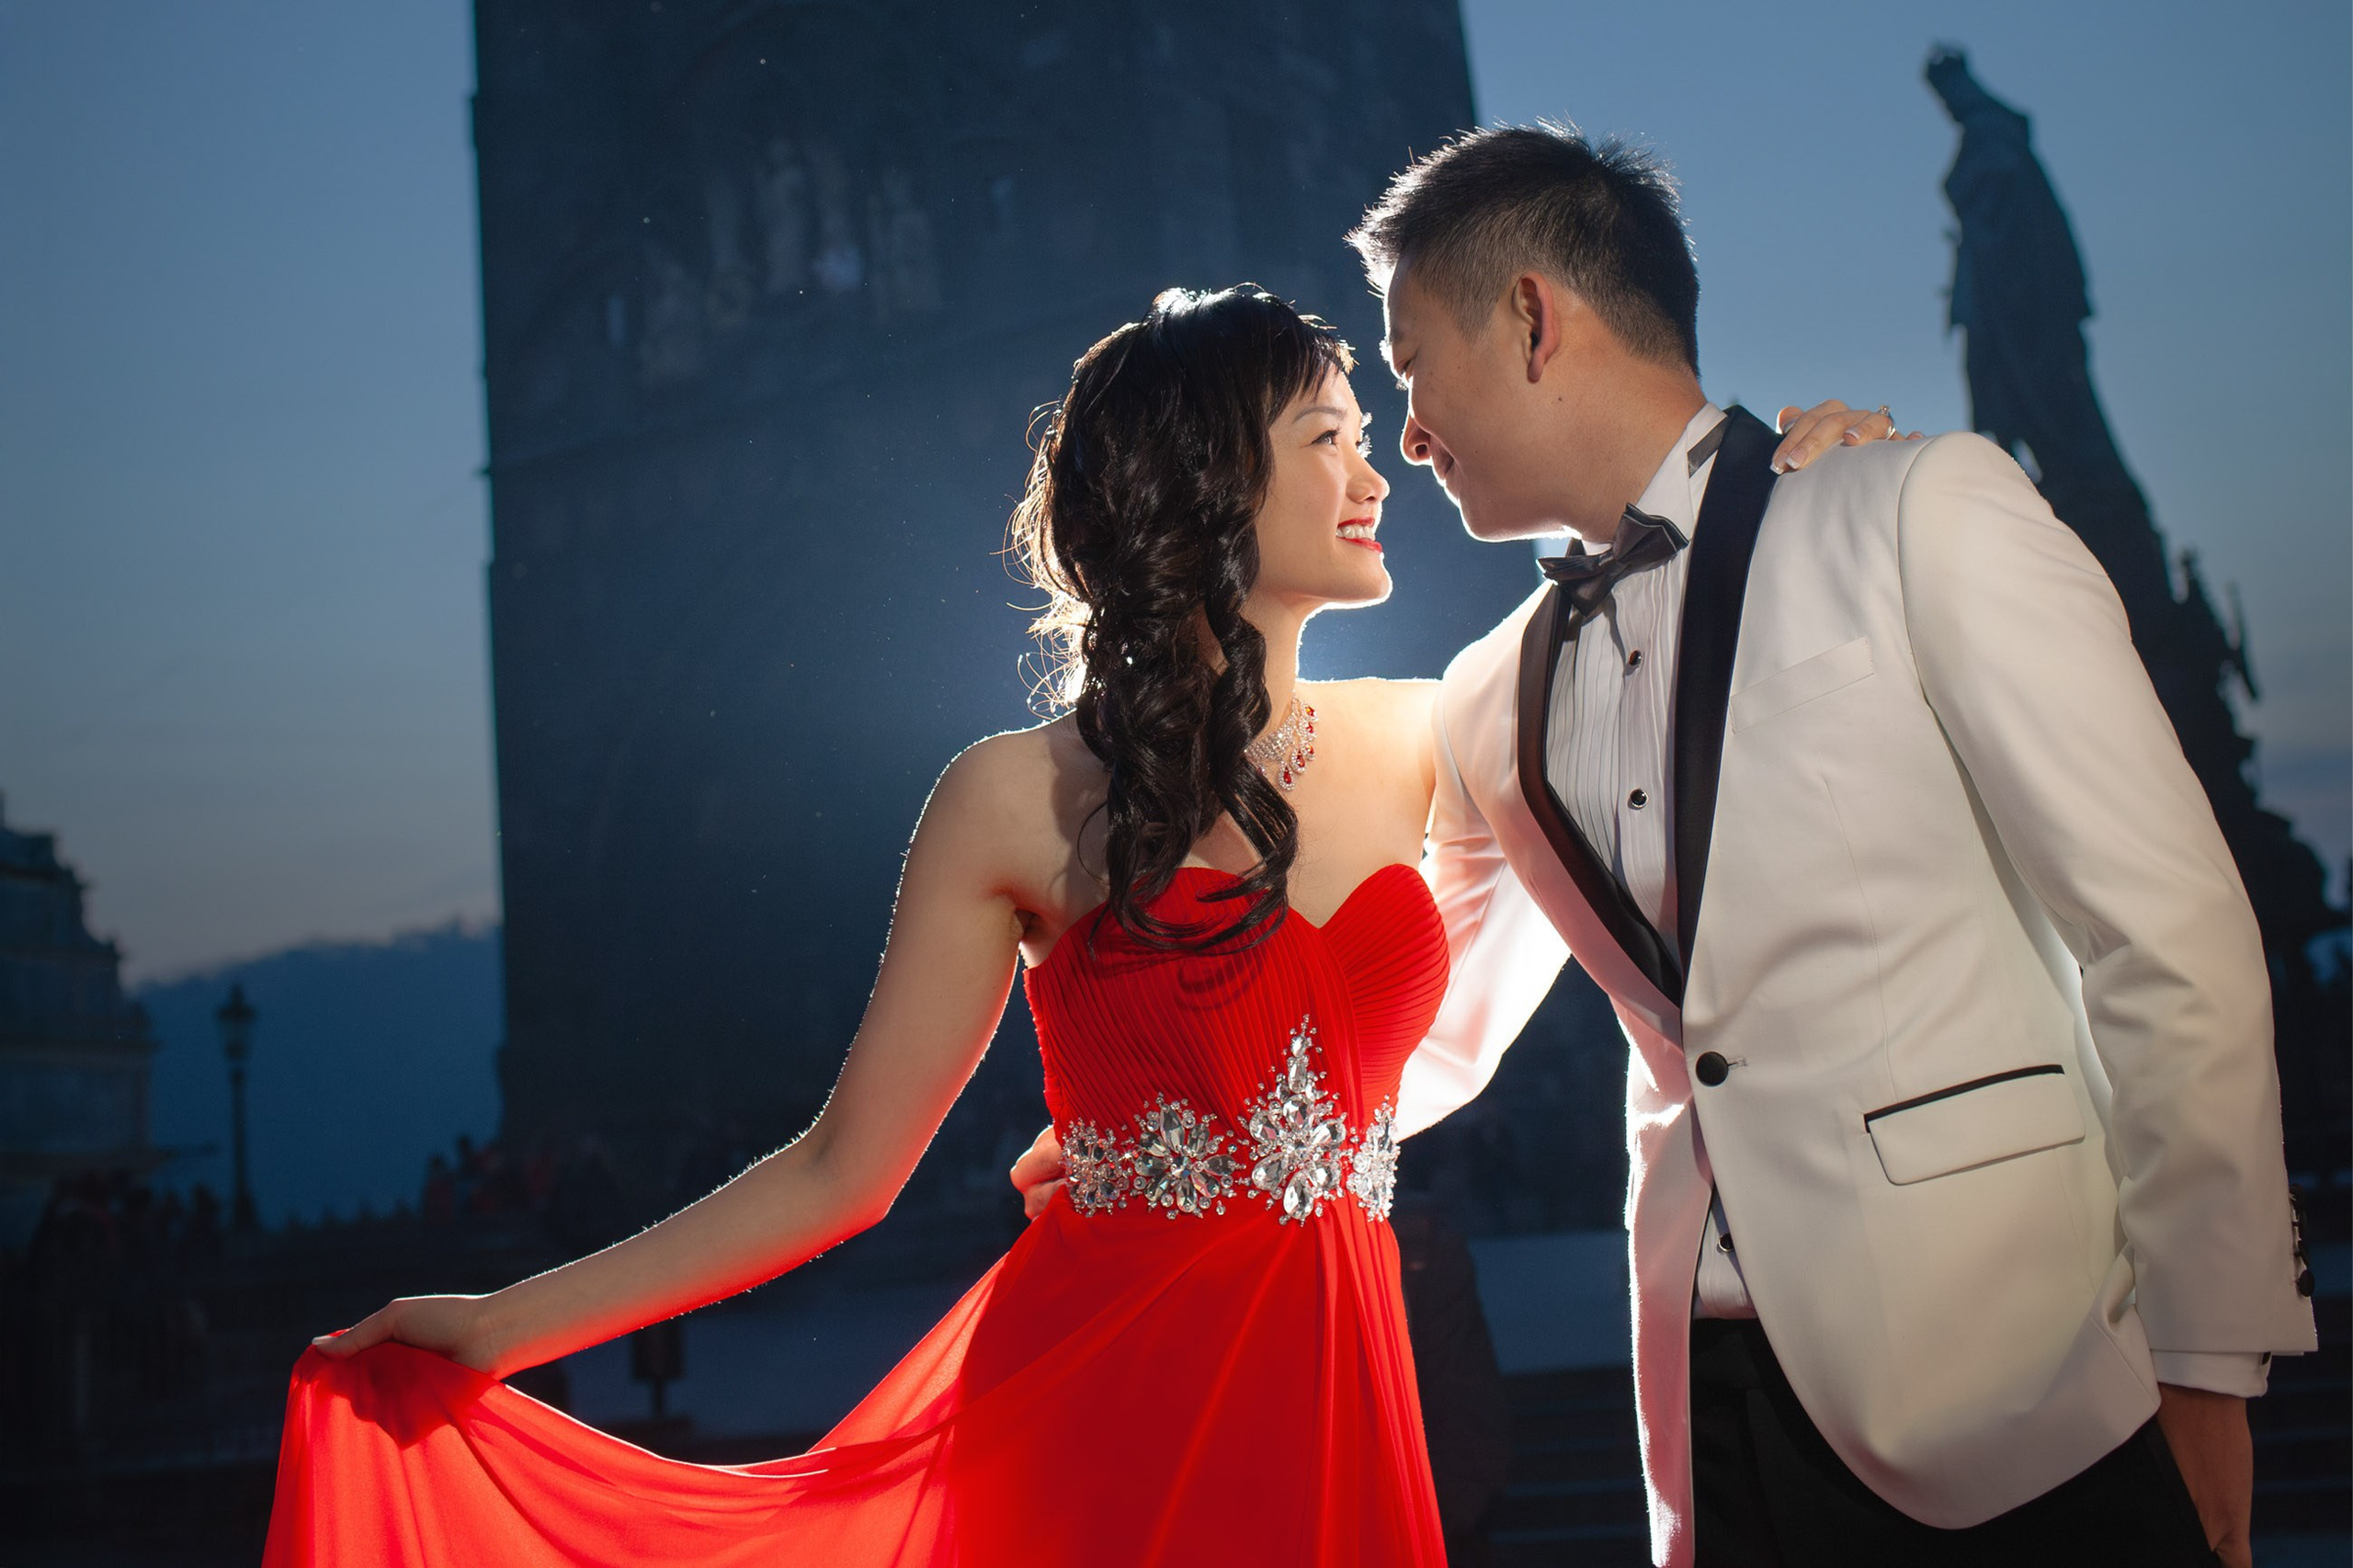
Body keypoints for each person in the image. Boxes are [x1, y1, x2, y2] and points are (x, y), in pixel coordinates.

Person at [261, 284, 1892, 1566]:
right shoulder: (1011, 799)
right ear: (1202, 486)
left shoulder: (1441, 730)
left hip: (1344, 1395)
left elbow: (1665, 612)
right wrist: (498, 1323)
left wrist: (1786, 480)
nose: (1373, 460)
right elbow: (843, 1169)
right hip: (1098, 1406)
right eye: (1325, 433)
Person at [1069, 126, 2329, 1568]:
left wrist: (2210, 1357)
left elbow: (2165, 936)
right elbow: (1428, 1042)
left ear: (1535, 319)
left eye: (1411, 373)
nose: (1406, 438)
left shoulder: (1914, 510)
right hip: (1707, 1420)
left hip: (2028, 1392)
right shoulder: (1489, 694)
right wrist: (1166, 1123)